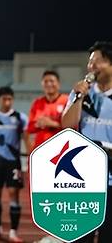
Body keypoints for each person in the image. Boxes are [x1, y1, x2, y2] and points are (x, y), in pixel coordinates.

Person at [61, 41, 112, 243]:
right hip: (85, 178)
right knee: (81, 235)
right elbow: (67, 125)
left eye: (97, 62)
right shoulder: (80, 92)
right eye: (90, 62)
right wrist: (79, 98)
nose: (91, 67)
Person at [0, 86, 29, 243]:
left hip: (13, 162)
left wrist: (30, 155)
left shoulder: (20, 117)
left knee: (13, 194)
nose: (7, 102)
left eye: (10, 99)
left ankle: (13, 231)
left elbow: (26, 137)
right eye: (4, 99)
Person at [27, 70, 68, 152]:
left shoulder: (66, 101)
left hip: (60, 149)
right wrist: (38, 124)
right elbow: (30, 128)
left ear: (58, 84)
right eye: (46, 81)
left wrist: (52, 124)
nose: (49, 84)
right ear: (42, 84)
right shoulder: (37, 103)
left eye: (52, 81)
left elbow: (73, 127)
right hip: (40, 148)